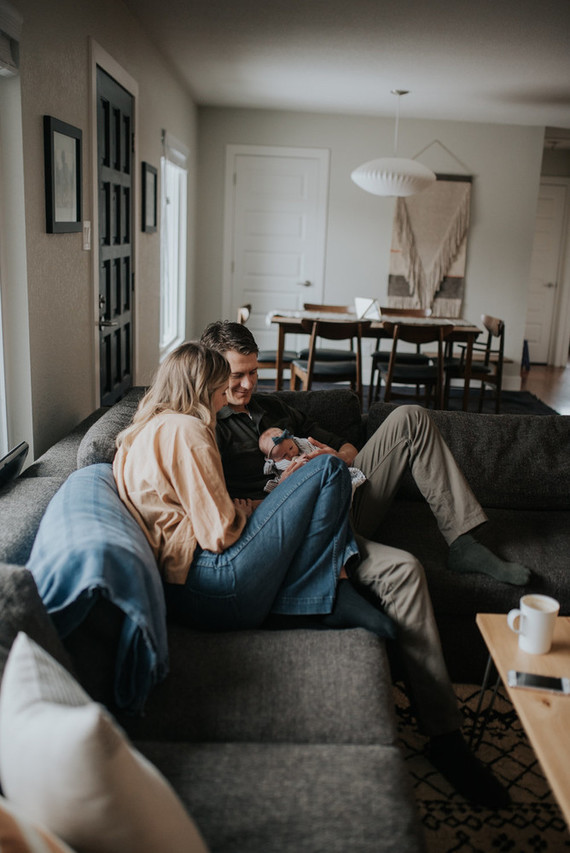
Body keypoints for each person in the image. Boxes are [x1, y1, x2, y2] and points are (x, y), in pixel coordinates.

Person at [200, 319, 527, 809]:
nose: (246, 386)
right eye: (235, 376)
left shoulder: (271, 406)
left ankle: (463, 538)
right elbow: (223, 510)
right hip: (298, 530)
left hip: (346, 496)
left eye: (253, 372)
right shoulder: (205, 425)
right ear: (210, 372)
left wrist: (334, 454)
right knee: (407, 571)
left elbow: (345, 442)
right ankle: (445, 737)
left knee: (411, 416)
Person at [112, 341, 394, 640]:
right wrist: (260, 503)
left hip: (185, 591)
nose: (223, 403)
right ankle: (332, 589)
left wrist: (256, 506)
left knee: (321, 473)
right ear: (202, 390)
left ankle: (320, 594)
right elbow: (220, 533)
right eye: (221, 393)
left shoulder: (139, 434)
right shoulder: (187, 430)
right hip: (211, 582)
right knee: (328, 469)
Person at [259, 426, 366, 495]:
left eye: (291, 448)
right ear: (272, 460)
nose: (291, 454)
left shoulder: (304, 444)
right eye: (284, 455)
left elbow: (341, 444)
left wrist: (339, 456)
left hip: (336, 468)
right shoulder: (281, 466)